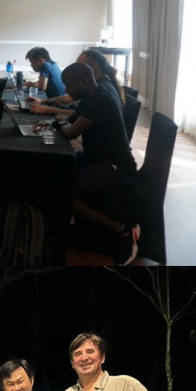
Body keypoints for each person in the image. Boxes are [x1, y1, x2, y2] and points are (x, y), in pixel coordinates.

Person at [55, 63, 142, 266]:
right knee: (58, 166)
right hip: (97, 158)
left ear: (84, 82)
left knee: (65, 191)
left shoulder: (101, 101)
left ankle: (123, 229)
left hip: (117, 167)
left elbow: (71, 132)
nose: (67, 90)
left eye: (69, 86)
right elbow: (73, 118)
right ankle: (71, 224)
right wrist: (56, 121)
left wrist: (59, 122)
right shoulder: (91, 95)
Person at [29, 49, 123, 113]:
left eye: (80, 65)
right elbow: (69, 99)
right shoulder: (98, 83)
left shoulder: (100, 91)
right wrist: (43, 101)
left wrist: (48, 110)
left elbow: (78, 116)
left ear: (93, 67)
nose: (76, 68)